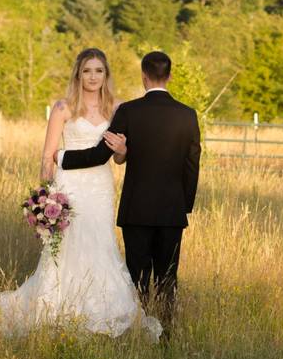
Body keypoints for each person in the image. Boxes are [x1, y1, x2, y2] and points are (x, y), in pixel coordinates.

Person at [0, 48, 161, 340]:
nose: (93, 77)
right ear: (78, 74)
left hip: (99, 187)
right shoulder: (63, 108)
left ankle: (103, 305)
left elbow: (120, 158)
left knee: (100, 241)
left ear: (106, 74)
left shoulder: (117, 108)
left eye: (99, 71)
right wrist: (46, 198)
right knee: (67, 244)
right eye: (87, 71)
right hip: (69, 186)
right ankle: (56, 304)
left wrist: (123, 150)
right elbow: (47, 157)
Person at [56, 50, 201, 342]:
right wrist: (183, 205)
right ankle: (167, 332)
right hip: (172, 211)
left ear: (143, 76)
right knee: (168, 275)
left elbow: (102, 154)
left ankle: (137, 327)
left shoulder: (129, 111)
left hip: (136, 209)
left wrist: (60, 159)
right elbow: (192, 163)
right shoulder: (188, 115)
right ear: (170, 76)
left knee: (136, 275)